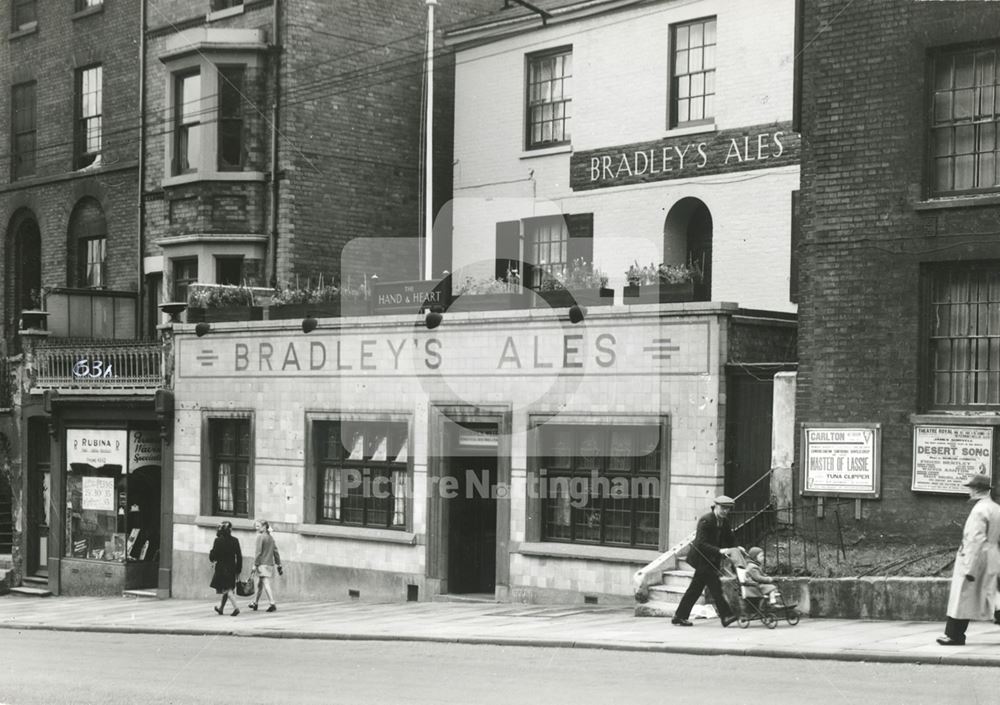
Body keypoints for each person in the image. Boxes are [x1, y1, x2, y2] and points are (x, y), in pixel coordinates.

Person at [936, 473, 1000, 646]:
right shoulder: (995, 508)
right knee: (992, 596)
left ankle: (954, 635)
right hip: (993, 556)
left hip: (976, 558)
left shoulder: (979, 510)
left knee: (962, 597)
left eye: (970, 488)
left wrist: (969, 568)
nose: (969, 492)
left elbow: (974, 540)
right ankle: (954, 634)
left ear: (977, 489)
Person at [672, 495, 738, 628]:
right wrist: (720, 551)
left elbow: (730, 538)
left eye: (727, 509)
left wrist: (737, 547)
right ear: (716, 506)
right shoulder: (706, 521)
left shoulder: (724, 522)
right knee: (715, 588)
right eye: (723, 508)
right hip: (702, 559)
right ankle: (726, 616)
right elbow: (701, 544)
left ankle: (679, 616)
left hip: (711, 560)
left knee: (695, 589)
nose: (725, 511)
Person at [249, 519, 283, 613]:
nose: (256, 528)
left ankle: (272, 603)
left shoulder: (260, 537)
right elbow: (276, 552)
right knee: (260, 584)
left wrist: (254, 565)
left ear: (264, 527)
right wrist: (278, 564)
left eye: (258, 526)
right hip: (269, 564)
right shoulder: (270, 537)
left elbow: (258, 553)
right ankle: (255, 603)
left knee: (265, 583)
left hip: (262, 564)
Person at [209, 521, 242, 616]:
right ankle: (221, 608)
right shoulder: (235, 540)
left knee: (227, 589)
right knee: (228, 587)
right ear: (230, 530)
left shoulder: (218, 540)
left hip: (221, 568)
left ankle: (236, 608)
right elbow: (239, 556)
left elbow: (213, 556)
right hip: (232, 567)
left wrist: (212, 551)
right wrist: (238, 569)